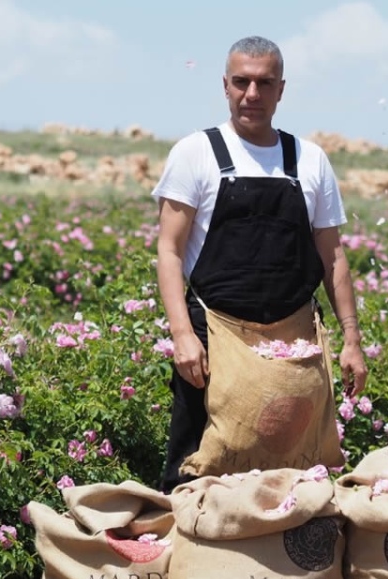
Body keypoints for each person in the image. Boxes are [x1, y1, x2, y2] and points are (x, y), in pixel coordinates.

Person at [152, 35, 368, 492]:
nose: (252, 94)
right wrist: (182, 336)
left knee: (295, 468)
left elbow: (333, 255)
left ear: (281, 89)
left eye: (264, 83)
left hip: (294, 341)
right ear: (225, 86)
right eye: (241, 82)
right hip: (214, 336)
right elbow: (169, 250)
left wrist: (351, 339)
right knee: (194, 465)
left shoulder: (309, 160)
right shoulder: (196, 153)